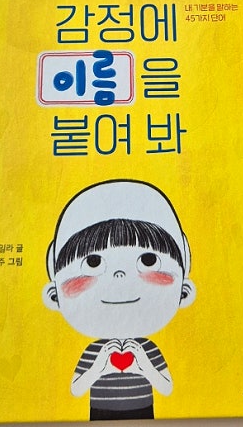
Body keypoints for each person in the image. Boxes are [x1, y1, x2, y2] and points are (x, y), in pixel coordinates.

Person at [42, 179, 195, 421]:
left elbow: (166, 388)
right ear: (55, 296)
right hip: (99, 416)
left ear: (184, 292)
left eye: (148, 260)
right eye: (92, 262)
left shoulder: (147, 349)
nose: (119, 275)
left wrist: (143, 364)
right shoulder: (94, 351)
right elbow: (76, 389)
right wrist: (99, 366)